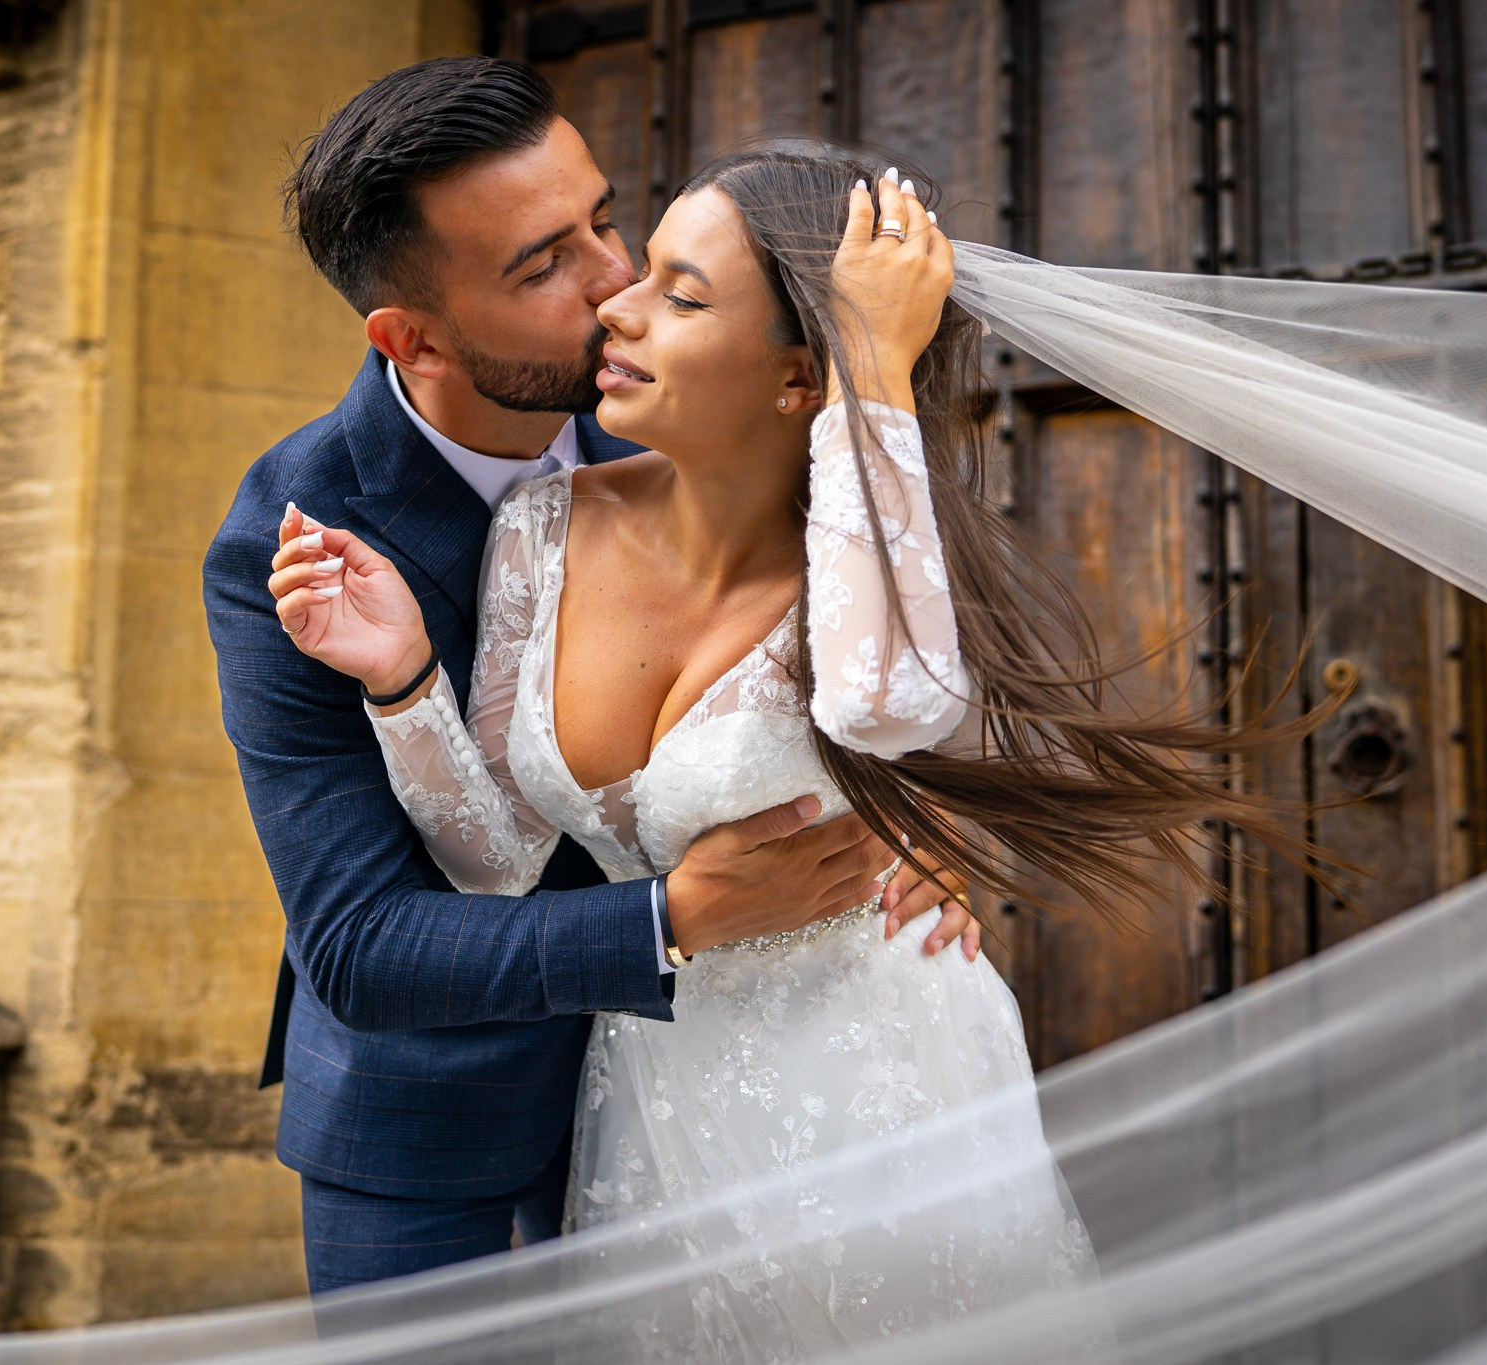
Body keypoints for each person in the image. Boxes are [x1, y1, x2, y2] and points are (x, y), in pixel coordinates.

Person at [267, 137, 1321, 1353]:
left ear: (794, 379)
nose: (614, 305)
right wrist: (401, 679)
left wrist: (873, 369)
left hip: (873, 1080)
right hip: (651, 1084)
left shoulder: (872, 557)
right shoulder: (540, 524)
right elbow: (497, 859)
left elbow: (884, 711)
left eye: (677, 293)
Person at [202, 58, 982, 1295]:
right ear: (412, 339)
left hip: (750, 1084)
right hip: (436, 1116)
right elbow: (359, 942)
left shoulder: (708, 403)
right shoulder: (288, 539)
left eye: (604, 220)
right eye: (541, 268)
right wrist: (668, 919)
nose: (615, 283)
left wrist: (911, 814)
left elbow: (875, 658)